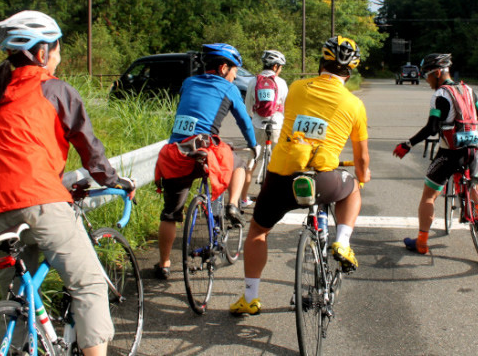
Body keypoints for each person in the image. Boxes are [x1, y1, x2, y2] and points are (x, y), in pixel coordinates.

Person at [0, 10, 136, 356]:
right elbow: (90, 151)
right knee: (89, 284)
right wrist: (115, 182)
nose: (59, 57)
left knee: (17, 302)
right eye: (58, 48)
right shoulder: (54, 88)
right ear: (43, 52)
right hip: (40, 204)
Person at [230, 35, 371, 315]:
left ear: (321, 63)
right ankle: (342, 242)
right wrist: (363, 175)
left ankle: (250, 298)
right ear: (350, 72)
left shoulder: (295, 87)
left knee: (258, 232)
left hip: (282, 176)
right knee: (353, 187)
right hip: (325, 178)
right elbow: (362, 158)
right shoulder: (354, 105)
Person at [154, 43, 259, 280]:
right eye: (234, 71)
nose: (234, 76)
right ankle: (233, 204)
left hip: (175, 152)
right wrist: (253, 144)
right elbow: (243, 120)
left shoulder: (188, 82)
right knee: (239, 163)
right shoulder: (228, 88)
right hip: (204, 149)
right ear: (223, 68)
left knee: (170, 213)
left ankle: (164, 264)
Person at [392, 53, 478, 255]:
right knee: (473, 179)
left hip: (449, 153)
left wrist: (408, 144)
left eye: (427, 75)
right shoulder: (469, 90)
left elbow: (432, 128)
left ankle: (421, 242)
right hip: (471, 148)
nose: (425, 80)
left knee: (428, 196)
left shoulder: (441, 95)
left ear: (437, 73)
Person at [242, 49, 289, 206]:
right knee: (279, 161)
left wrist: (254, 116)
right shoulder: (281, 83)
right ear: (275, 66)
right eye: (280, 67)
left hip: (257, 126)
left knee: (252, 161)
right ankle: (278, 197)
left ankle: (242, 199)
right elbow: (287, 106)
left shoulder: (253, 81)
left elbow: (248, 107)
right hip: (277, 126)